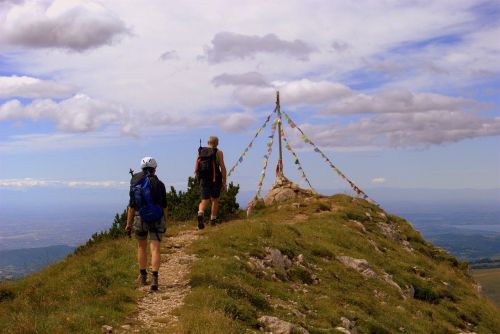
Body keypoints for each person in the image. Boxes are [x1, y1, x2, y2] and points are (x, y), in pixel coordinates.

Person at [125, 157, 168, 291]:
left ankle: (143, 276)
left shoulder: (135, 184)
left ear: (142, 169)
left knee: (141, 247)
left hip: (140, 218)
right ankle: (155, 278)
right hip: (157, 217)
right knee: (155, 248)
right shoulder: (160, 184)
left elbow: (132, 207)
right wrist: (165, 220)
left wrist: (128, 224)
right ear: (155, 168)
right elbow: (164, 206)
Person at [195, 136, 227, 229]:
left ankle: (200, 213)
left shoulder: (201, 152)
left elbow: (196, 167)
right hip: (215, 178)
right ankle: (213, 220)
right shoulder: (219, 152)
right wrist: (224, 181)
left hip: (203, 179)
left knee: (204, 200)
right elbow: (223, 167)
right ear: (217, 143)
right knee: (215, 199)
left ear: (208, 142)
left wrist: (198, 179)